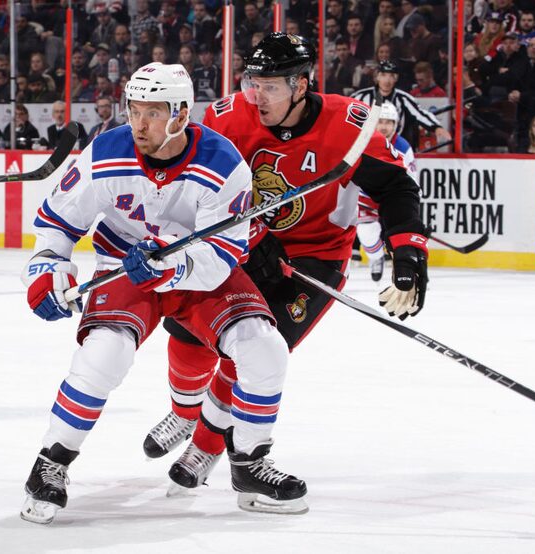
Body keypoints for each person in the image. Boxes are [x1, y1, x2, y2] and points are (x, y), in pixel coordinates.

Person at [19, 62, 306, 523]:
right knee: (103, 355)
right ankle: (51, 462)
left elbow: (221, 255)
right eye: (134, 110)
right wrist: (46, 269)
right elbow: (56, 222)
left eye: (153, 112)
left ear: (181, 114)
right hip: (123, 271)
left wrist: (168, 266)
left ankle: (250, 464)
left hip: (197, 276)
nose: (139, 123)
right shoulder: (105, 152)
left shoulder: (222, 161)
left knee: (265, 348)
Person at [142, 34, 427, 497]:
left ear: (301, 84)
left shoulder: (347, 125)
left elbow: (396, 189)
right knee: (188, 334)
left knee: (255, 353)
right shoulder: (228, 117)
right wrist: (253, 239)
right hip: (244, 245)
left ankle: (208, 447)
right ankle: (183, 408)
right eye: (253, 82)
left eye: (270, 86)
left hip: (316, 256)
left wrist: (409, 252)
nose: (257, 95)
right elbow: (197, 185)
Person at [356, 101, 418, 282]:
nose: (384, 126)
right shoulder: (363, 140)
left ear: (395, 124)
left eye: (389, 122)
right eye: (380, 121)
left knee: (402, 231)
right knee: (366, 232)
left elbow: (411, 177)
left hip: (393, 196)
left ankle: (409, 270)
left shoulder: (403, 146)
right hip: (367, 195)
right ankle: (376, 258)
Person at [353, 60, 452, 147]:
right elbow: (343, 111)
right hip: (366, 147)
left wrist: (436, 127)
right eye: (383, 75)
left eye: (391, 76)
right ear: (377, 77)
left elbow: (420, 114)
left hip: (396, 148)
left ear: (396, 79)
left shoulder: (404, 98)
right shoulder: (361, 96)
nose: (387, 80)